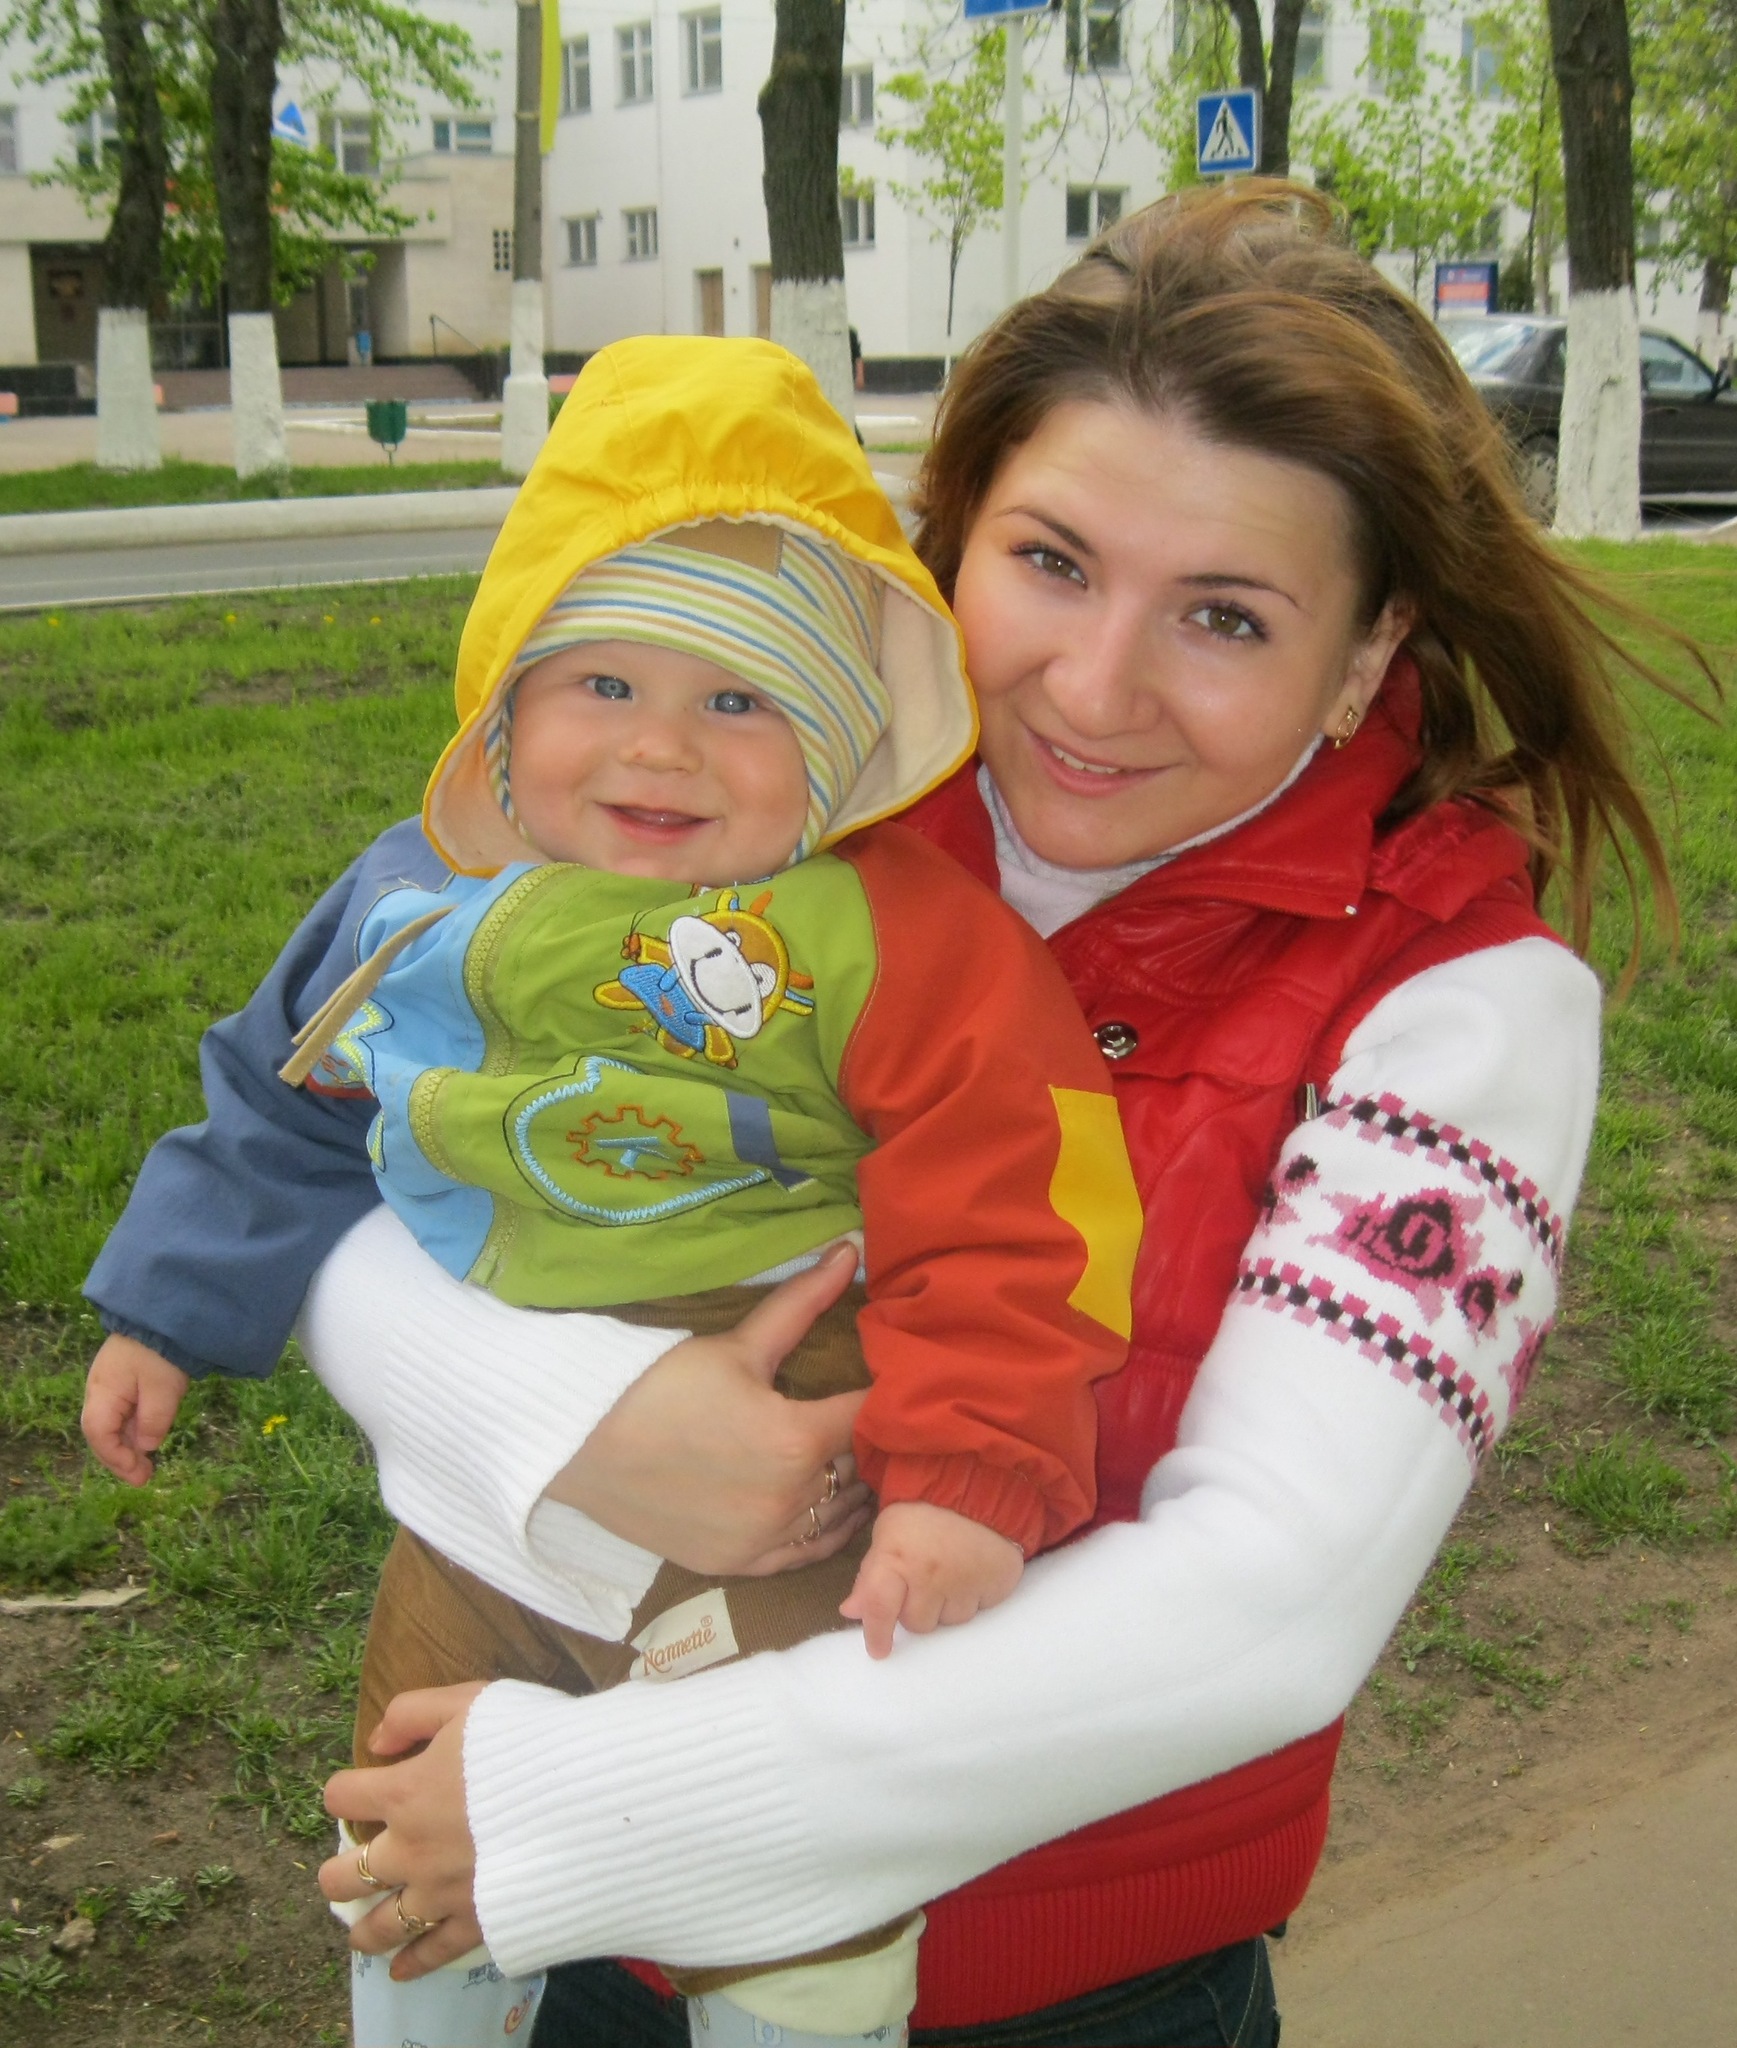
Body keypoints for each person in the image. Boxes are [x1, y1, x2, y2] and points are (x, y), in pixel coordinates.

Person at [93, 181, 1677, 2045]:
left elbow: (1268, 1607)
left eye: (1224, 617)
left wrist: (577, 1811)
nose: (1092, 687)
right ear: (947, 537)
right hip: (555, 1933)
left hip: (1041, 1995)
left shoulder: (1458, 1007)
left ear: (1362, 653)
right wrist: (575, 1427)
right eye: (1053, 563)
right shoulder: (743, 793)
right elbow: (378, 1146)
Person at [80, 336, 1139, 2047]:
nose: (661, 751)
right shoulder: (414, 901)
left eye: (739, 703)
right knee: (402, 1826)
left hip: (781, 1439)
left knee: (790, 1879)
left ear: (835, 747)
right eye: (601, 685)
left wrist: (970, 1477)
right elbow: (285, 1097)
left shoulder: (893, 935)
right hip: (484, 1514)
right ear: (507, 707)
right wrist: (171, 1305)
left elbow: (1017, 1210)